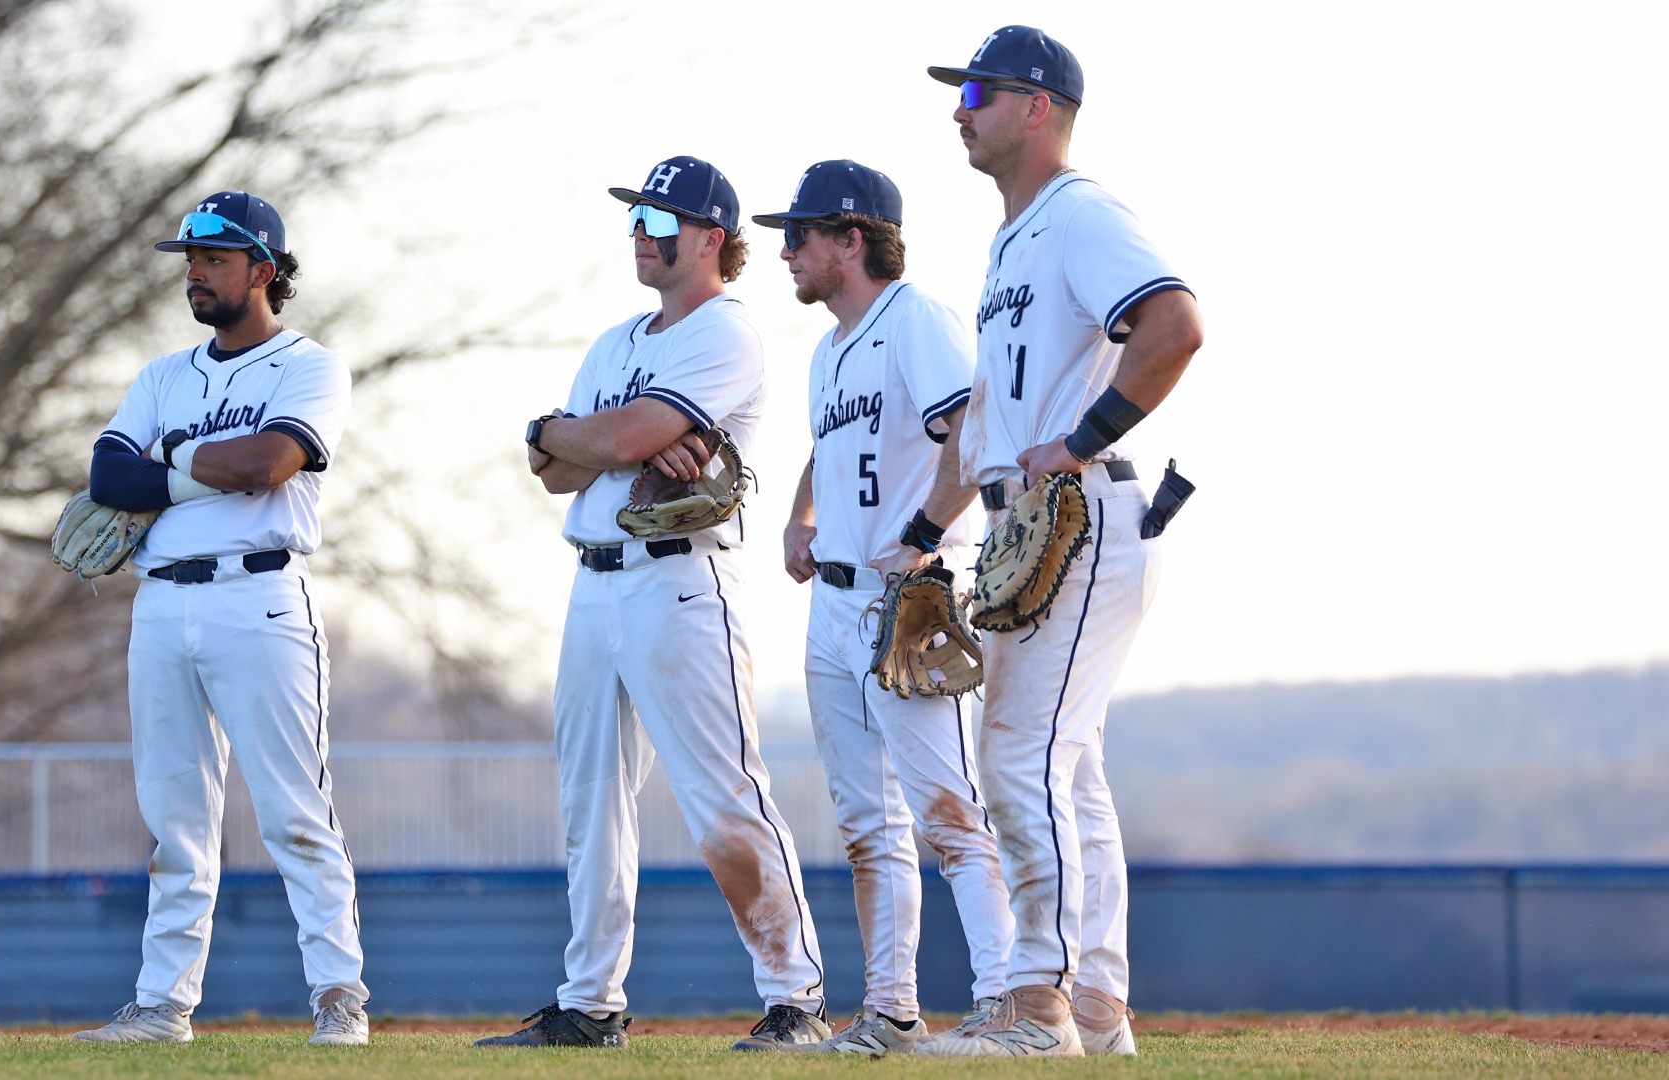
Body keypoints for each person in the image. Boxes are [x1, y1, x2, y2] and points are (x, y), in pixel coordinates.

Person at [478, 156, 829, 1053]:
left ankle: (797, 999)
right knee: (589, 800)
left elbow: (622, 435)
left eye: (659, 217)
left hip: (681, 582)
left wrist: (587, 435)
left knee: (722, 795)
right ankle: (591, 1004)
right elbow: (556, 470)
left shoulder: (727, 332)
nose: (641, 228)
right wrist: (561, 437)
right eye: (637, 214)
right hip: (593, 581)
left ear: (712, 237)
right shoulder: (615, 341)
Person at [911, 27, 1204, 1059]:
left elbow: (1174, 324)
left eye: (980, 90)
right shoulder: (1011, 240)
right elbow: (990, 417)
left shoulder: (1081, 213)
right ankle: (1095, 1011)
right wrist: (921, 539)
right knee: (1066, 771)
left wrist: (1077, 444)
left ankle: (1037, 1009)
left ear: (1038, 107)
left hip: (1080, 523)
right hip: (1032, 531)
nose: (961, 107)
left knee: (1020, 755)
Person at [69, 192, 367, 1047]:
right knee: (174, 821)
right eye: (190, 259)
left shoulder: (311, 366)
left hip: (261, 597)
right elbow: (106, 479)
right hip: (161, 601)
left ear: (263, 270)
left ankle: (338, 995)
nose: (195, 273)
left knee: (294, 812)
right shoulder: (163, 375)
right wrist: (203, 468)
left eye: (215, 259)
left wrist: (162, 457)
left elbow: (272, 462)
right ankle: (164, 1006)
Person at [751, 160, 1013, 1057]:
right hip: (832, 607)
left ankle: (1006, 1006)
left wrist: (925, 534)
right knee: (867, 827)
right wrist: (799, 515)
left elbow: (972, 435)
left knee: (950, 813)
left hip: (906, 601)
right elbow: (832, 450)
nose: (785, 251)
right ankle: (892, 1012)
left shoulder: (918, 322)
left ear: (851, 239)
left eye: (800, 235)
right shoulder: (829, 348)